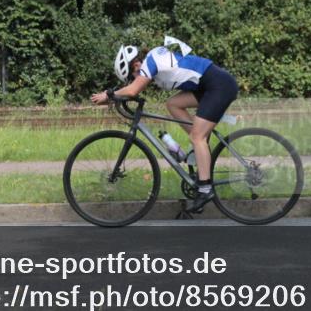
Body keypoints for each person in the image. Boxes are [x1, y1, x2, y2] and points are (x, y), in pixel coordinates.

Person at [91, 43, 239, 213]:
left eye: (133, 75)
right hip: (208, 87)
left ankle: (205, 190)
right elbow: (134, 89)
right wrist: (117, 95)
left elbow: (133, 91)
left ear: (136, 65)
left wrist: (108, 95)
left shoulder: (150, 62)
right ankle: (199, 152)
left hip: (219, 87)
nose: (135, 78)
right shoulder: (152, 61)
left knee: (197, 137)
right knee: (173, 104)